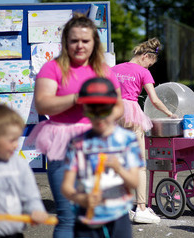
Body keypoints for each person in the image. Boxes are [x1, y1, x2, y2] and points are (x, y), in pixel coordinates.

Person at [29, 13, 123, 238]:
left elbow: (119, 107)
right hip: (63, 145)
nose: (80, 45)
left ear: (94, 43)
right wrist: (76, 99)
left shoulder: (103, 70)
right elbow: (42, 105)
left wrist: (105, 116)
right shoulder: (52, 68)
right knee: (69, 218)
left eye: (85, 40)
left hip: (98, 144)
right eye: (74, 40)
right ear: (65, 42)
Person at [61, 77, 143, 238]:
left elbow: (134, 182)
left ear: (114, 109)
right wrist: (82, 199)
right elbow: (66, 187)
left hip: (118, 217)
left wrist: (119, 168)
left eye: (104, 110)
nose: (99, 117)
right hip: (87, 218)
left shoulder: (127, 140)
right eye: (93, 111)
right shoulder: (78, 143)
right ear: (84, 110)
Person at [111, 37, 176, 224]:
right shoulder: (143, 72)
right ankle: (140, 207)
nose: (149, 67)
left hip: (114, 113)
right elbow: (154, 99)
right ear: (145, 56)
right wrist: (169, 113)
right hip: (132, 114)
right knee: (139, 164)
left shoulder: (113, 69)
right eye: (149, 63)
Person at [0, 104, 50, 237]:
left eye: (17, 139)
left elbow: (30, 195)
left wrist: (35, 210)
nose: (16, 145)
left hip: (14, 233)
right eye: (12, 140)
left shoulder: (19, 165)